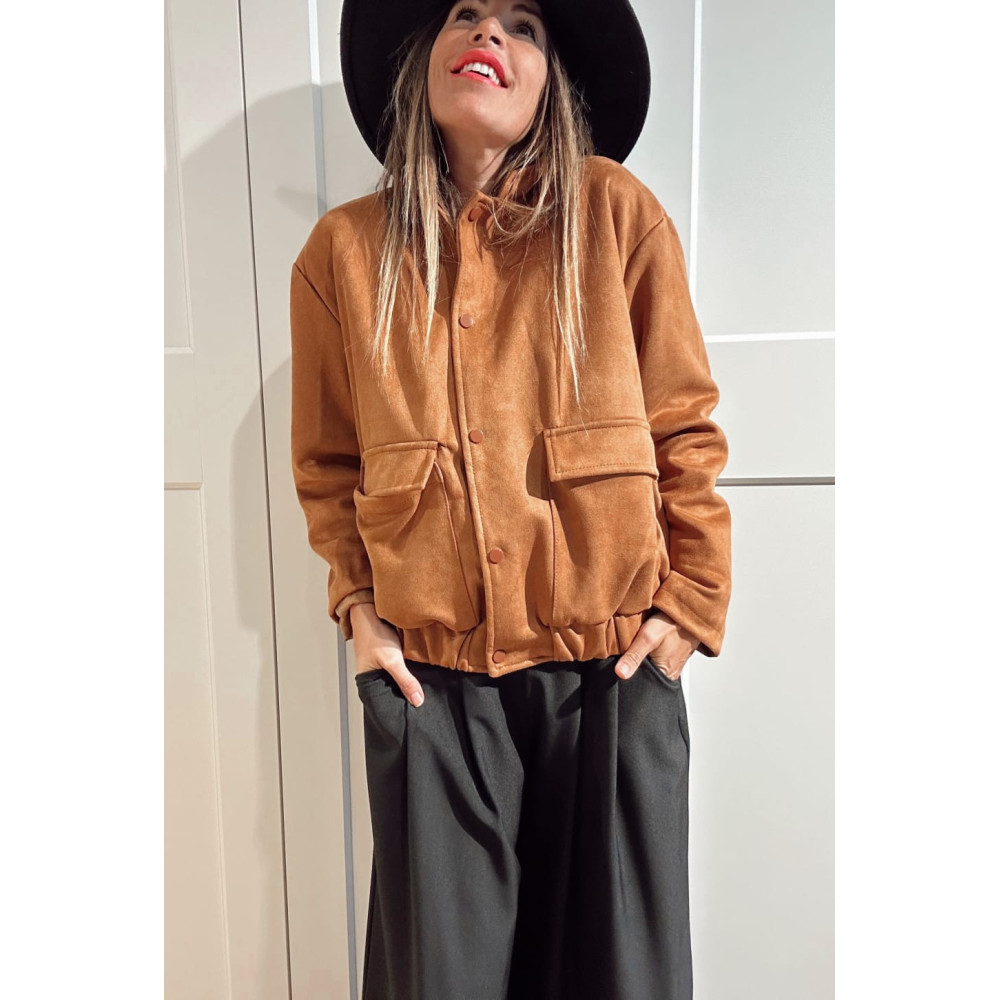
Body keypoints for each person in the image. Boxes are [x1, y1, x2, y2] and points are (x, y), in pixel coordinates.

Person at [289, 0, 732, 996]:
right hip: (431, 685)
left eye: (522, 25)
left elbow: (684, 426)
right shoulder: (344, 254)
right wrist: (359, 611)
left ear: (552, 81)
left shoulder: (614, 213)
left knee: (618, 976)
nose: (488, 34)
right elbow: (327, 463)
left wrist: (689, 607)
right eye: (465, 14)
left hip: (609, 674)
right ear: (423, 62)